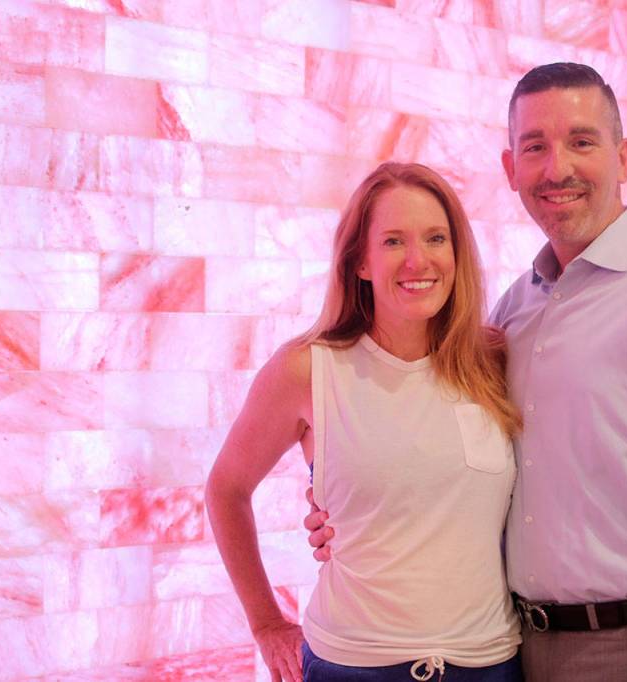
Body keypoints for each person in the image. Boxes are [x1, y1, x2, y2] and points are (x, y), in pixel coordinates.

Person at [306, 63, 627, 682]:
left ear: (623, 157)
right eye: (535, 147)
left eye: (581, 141)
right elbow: (446, 459)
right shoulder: (511, 312)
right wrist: (348, 502)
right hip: (514, 649)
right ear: (510, 168)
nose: (557, 169)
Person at [206, 162, 523, 682]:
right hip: (352, 666)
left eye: (436, 238)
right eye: (394, 241)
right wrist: (266, 623)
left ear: (457, 252)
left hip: (488, 663)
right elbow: (226, 488)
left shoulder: (492, 362)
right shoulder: (308, 370)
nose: (418, 260)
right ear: (360, 261)